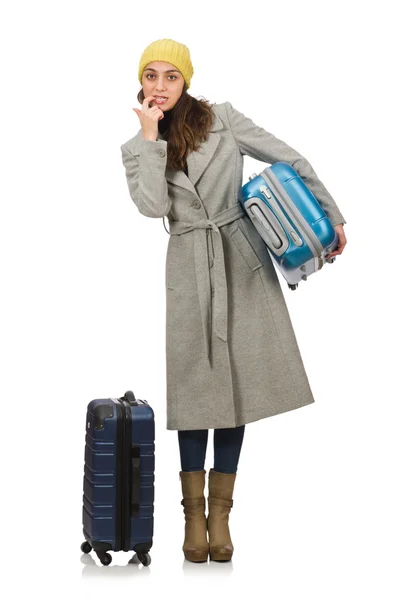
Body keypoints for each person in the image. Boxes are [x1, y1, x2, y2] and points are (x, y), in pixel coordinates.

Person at [120, 38, 347, 564]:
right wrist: (150, 138)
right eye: (150, 76)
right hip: (187, 266)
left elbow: (289, 156)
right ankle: (192, 518)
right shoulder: (137, 148)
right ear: (141, 83)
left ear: (186, 81)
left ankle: (220, 516)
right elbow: (153, 206)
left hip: (239, 258)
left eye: (169, 77)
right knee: (197, 390)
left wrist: (332, 215)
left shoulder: (223, 118)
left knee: (236, 388)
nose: (159, 86)